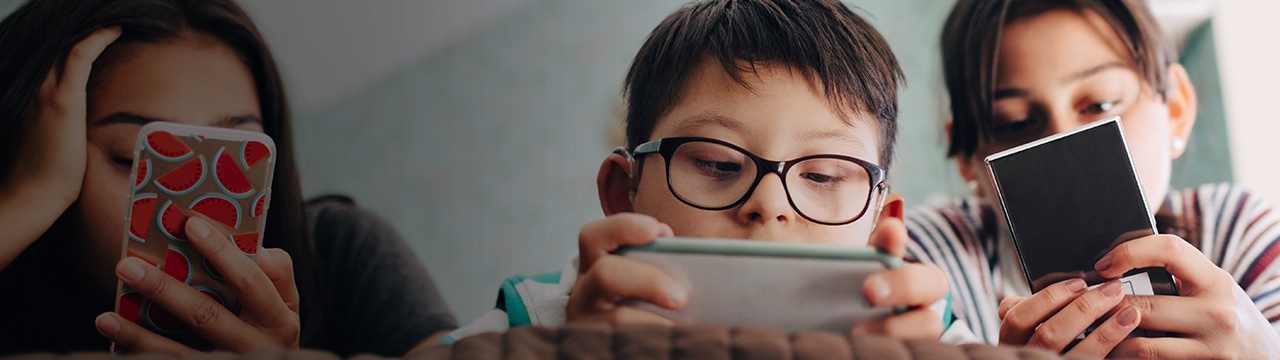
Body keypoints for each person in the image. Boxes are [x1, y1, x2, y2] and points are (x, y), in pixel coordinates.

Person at [446, 0, 972, 343]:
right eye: (717, 162)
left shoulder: (920, 332)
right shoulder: (536, 320)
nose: (769, 203)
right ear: (623, 193)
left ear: (883, 228)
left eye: (824, 177)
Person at [0, 0, 455, 356]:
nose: (192, 213)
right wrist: (33, 195)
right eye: (134, 157)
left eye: (239, 159)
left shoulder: (344, 251)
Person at [905, 0, 1280, 358]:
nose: (1063, 148)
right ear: (968, 160)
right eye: (1015, 123)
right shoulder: (924, 266)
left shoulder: (1238, 234)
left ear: (1176, 108)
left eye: (1100, 104)